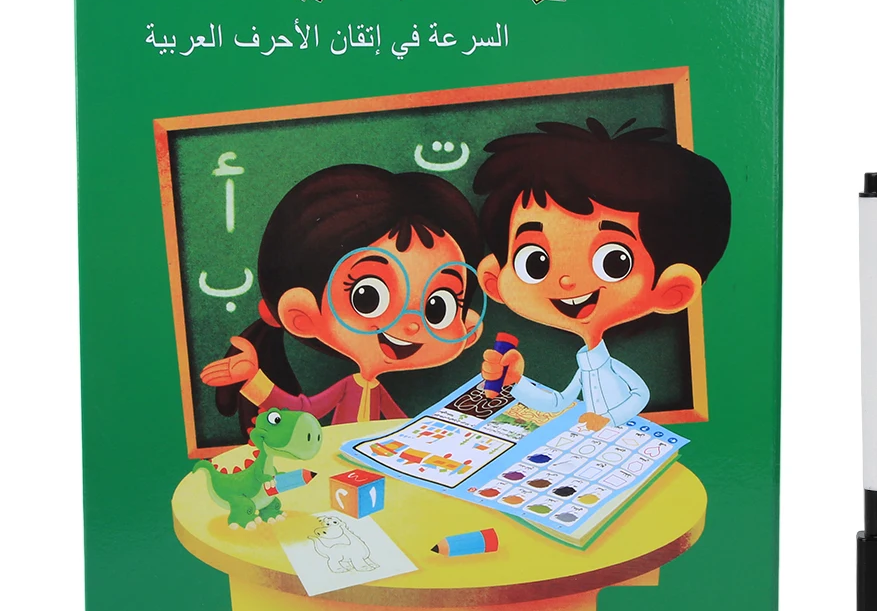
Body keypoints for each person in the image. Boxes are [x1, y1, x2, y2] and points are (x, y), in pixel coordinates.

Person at [472, 118, 730, 430]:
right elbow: (558, 402)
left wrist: (609, 420)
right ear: (495, 280)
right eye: (535, 261)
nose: (566, 281)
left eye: (614, 262)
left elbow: (640, 395)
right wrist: (516, 381)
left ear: (672, 290)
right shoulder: (586, 363)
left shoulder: (612, 367)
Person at [200, 164, 484, 436]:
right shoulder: (349, 387)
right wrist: (254, 379)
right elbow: (302, 409)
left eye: (438, 307)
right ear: (303, 315)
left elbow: (402, 426)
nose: (411, 324)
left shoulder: (375, 391)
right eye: (368, 297)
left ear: (467, 327)